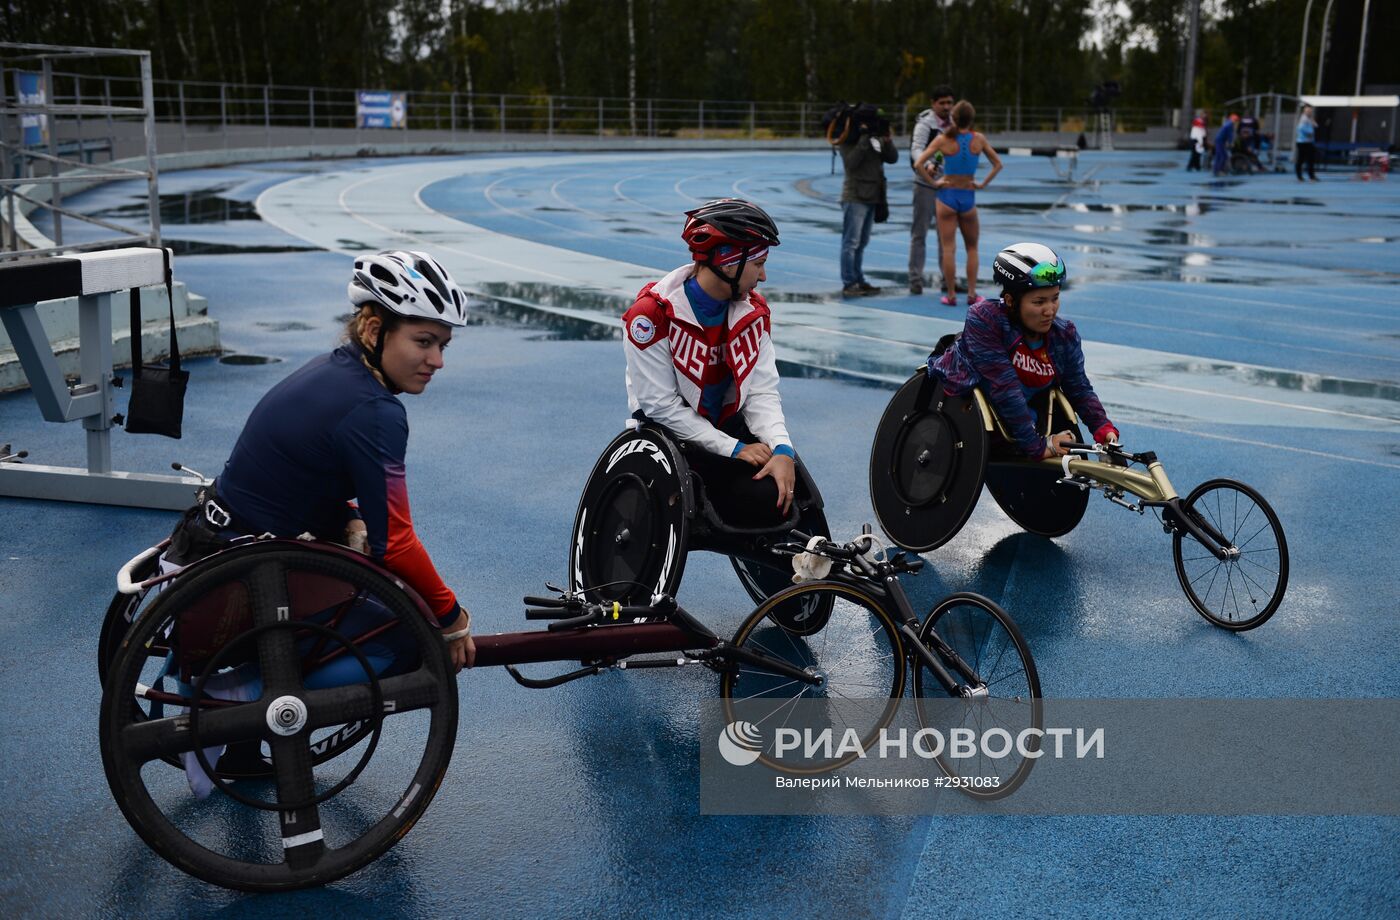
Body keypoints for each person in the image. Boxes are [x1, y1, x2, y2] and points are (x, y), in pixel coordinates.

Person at [621, 198, 797, 526]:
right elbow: (660, 407)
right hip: (673, 439)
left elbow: (761, 392)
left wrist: (782, 447)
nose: (763, 276)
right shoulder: (650, 316)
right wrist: (734, 449)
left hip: (728, 431)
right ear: (729, 262)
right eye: (758, 263)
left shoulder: (753, 313)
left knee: (781, 494)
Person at [927, 242, 1118, 461]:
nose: (1050, 310)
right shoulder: (986, 320)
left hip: (1025, 424)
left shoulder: (1064, 335)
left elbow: (1079, 388)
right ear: (1010, 301)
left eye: (1055, 298)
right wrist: (1038, 448)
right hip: (966, 419)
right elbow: (1005, 388)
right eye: (1039, 302)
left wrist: (1104, 430)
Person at [913, 100, 1003, 307]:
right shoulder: (978, 139)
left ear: (953, 118)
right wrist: (982, 184)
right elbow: (998, 164)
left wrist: (934, 183)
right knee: (972, 248)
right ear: (971, 119)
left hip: (946, 197)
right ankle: (972, 293)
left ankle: (951, 295)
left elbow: (919, 163)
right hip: (968, 196)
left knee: (948, 249)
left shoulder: (943, 139)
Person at [837, 105, 898, 297]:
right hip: (855, 196)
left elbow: (892, 158)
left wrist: (887, 141)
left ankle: (859, 279)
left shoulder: (876, 138)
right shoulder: (847, 139)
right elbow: (851, 164)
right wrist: (864, 138)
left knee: (862, 242)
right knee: (851, 242)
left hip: (873, 195)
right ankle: (849, 282)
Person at [908, 86, 956, 295]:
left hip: (948, 184)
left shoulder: (954, 123)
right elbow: (916, 148)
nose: (946, 107)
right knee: (920, 232)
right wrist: (926, 163)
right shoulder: (925, 124)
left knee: (945, 235)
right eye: (942, 103)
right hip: (926, 183)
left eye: (949, 103)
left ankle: (948, 280)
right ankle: (915, 279)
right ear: (933, 103)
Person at [1295, 104, 1319, 181]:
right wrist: (1309, 133)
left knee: (1311, 159)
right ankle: (1299, 176)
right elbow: (1300, 128)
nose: (1309, 112)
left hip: (1309, 142)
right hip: (1302, 142)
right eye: (1308, 111)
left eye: (1310, 111)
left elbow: (1316, 125)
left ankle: (1311, 176)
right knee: (1301, 159)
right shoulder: (1303, 119)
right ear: (1304, 111)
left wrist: (1312, 121)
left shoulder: (1309, 118)